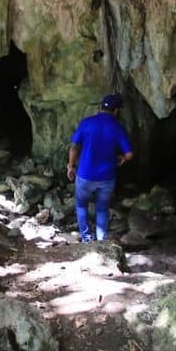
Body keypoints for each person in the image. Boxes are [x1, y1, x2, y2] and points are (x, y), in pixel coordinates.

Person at [66, 94, 134, 242]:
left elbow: (74, 147)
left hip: (84, 175)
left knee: (81, 206)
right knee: (102, 210)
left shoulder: (86, 123)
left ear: (100, 107)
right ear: (116, 111)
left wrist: (71, 167)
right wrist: (122, 159)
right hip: (106, 178)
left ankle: (86, 239)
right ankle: (102, 241)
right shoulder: (117, 128)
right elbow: (129, 154)